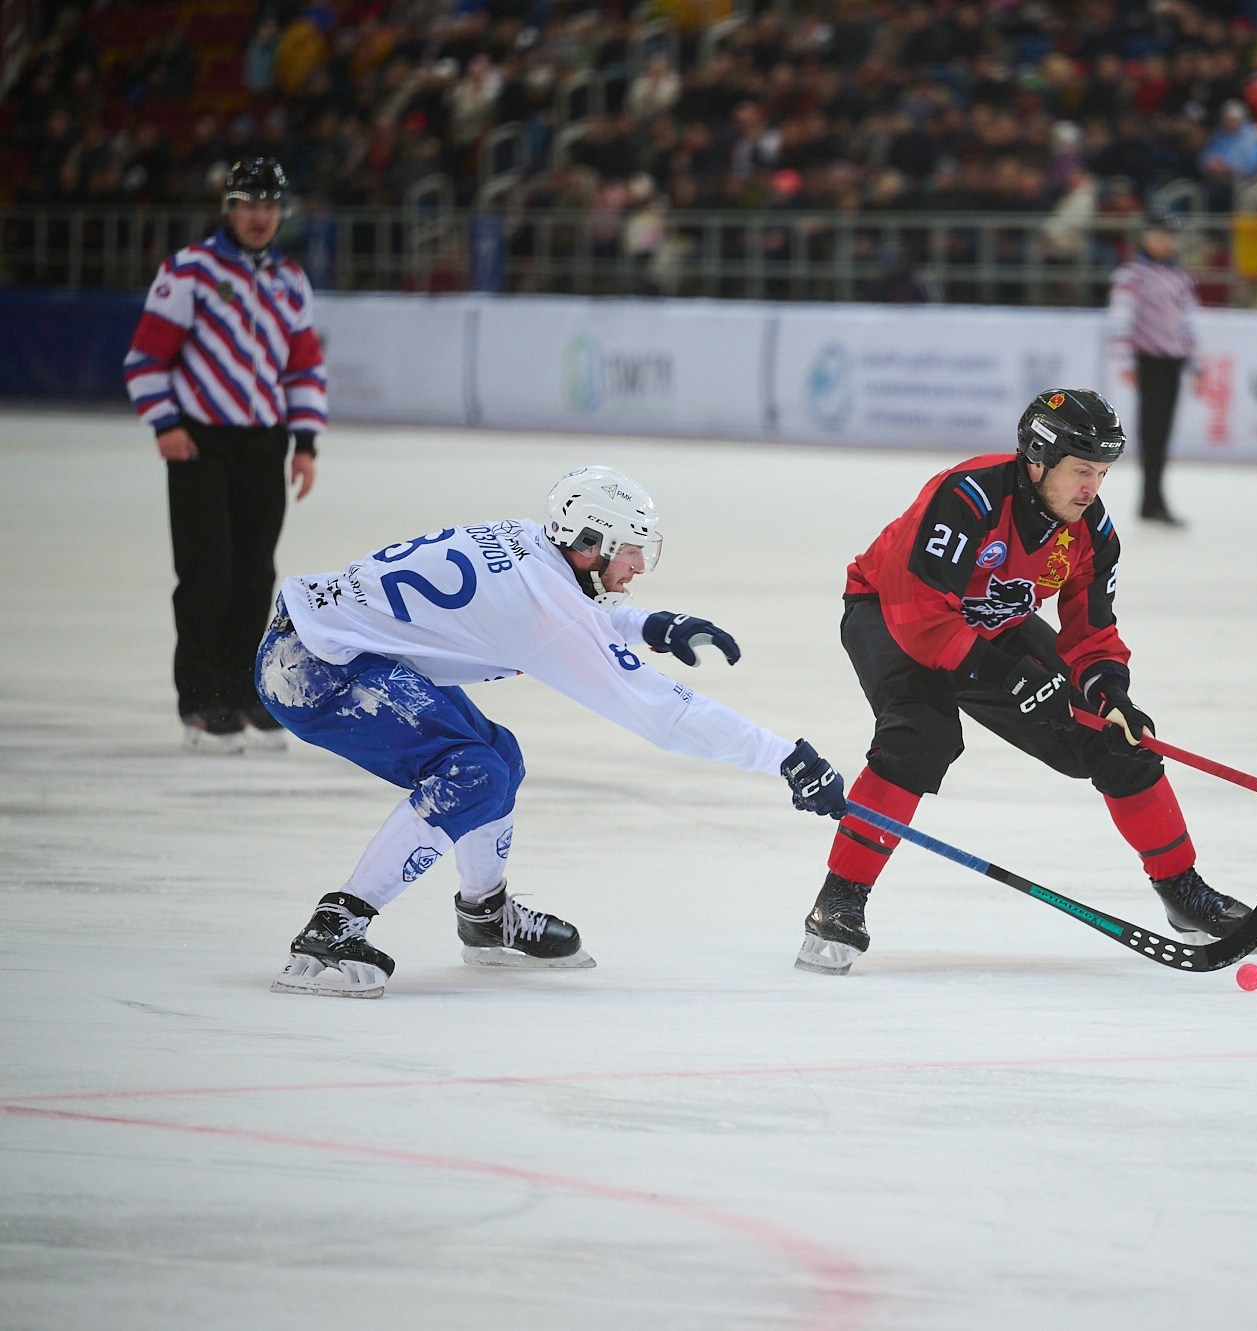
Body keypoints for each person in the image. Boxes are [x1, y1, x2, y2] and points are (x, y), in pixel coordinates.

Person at [254, 465, 848, 998]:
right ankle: (334, 926)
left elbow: (563, 610)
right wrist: (784, 758)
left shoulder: (526, 542)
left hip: (324, 643)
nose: (640, 566)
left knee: (499, 756)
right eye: (631, 551)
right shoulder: (544, 604)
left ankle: (485, 915)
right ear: (590, 545)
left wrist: (651, 625)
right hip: (312, 669)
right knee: (472, 774)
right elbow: (662, 712)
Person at [797, 389, 1257, 976]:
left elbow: (1092, 634)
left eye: (1102, 473)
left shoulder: (1091, 531)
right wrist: (1009, 676)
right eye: (1081, 470)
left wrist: (1109, 693)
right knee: (919, 736)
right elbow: (921, 617)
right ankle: (839, 900)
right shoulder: (967, 497)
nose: (1092, 488)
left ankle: (1183, 890)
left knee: (1118, 739)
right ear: (1038, 461)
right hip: (889, 613)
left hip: (993, 625)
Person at [124, 157, 324, 753]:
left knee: (255, 573)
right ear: (229, 209)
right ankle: (200, 700)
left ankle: (241, 692)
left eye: (270, 206)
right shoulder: (189, 271)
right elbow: (145, 359)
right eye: (249, 205)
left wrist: (305, 444)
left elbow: (304, 368)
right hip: (200, 443)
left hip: (265, 443)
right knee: (206, 572)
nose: (260, 217)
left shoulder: (290, 280)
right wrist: (165, 424)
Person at [1107, 214, 1199, 525]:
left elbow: (1187, 323)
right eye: (1158, 235)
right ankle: (1150, 499)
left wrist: (1196, 363)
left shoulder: (1178, 277)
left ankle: (1154, 498)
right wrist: (1124, 360)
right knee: (1152, 433)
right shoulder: (1132, 276)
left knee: (1162, 433)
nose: (1163, 242)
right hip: (1150, 361)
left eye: (1168, 236)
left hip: (1173, 362)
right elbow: (1121, 320)